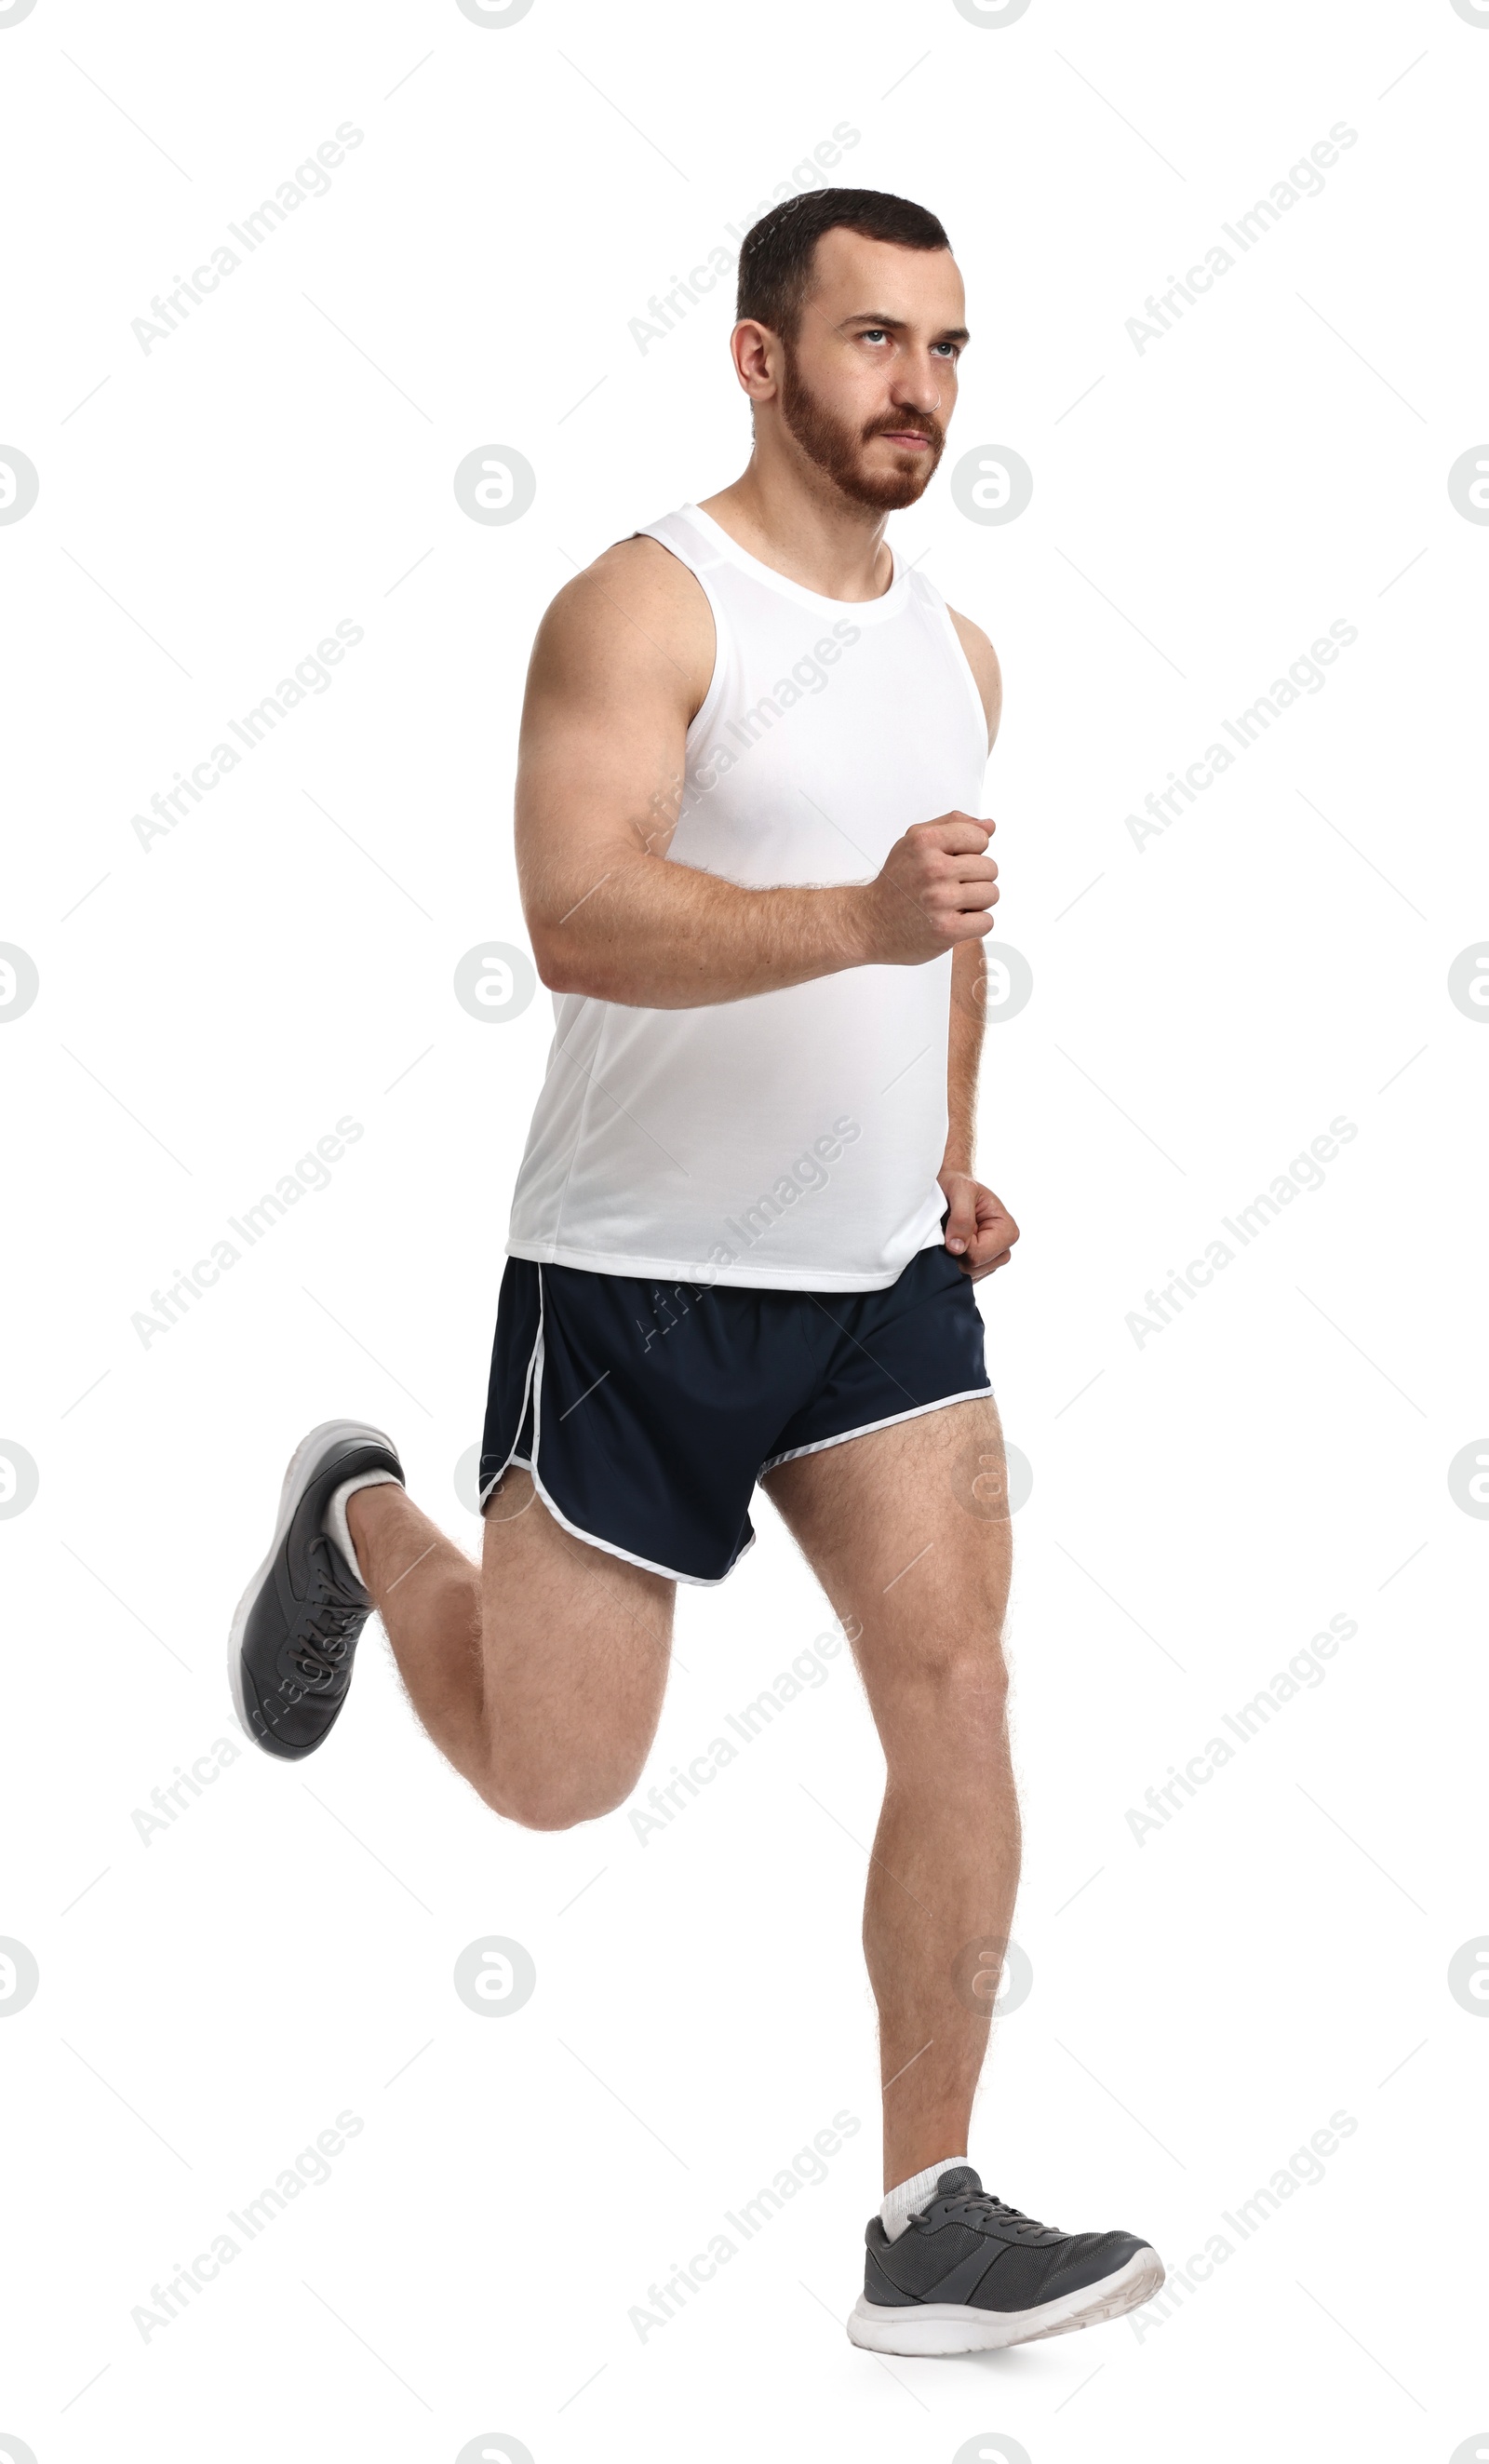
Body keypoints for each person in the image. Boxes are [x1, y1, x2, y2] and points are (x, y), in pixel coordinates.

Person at [228, 186, 1162, 2355]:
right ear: (760, 358)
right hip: (634, 1274)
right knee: (555, 1775)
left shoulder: (961, 650)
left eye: (941, 347)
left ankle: (922, 2214)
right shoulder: (640, 609)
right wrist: (849, 920)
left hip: (873, 1289)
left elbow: (942, 923)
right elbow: (576, 913)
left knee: (959, 1685)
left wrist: (950, 1156)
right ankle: (360, 1514)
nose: (911, 386)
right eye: (868, 341)